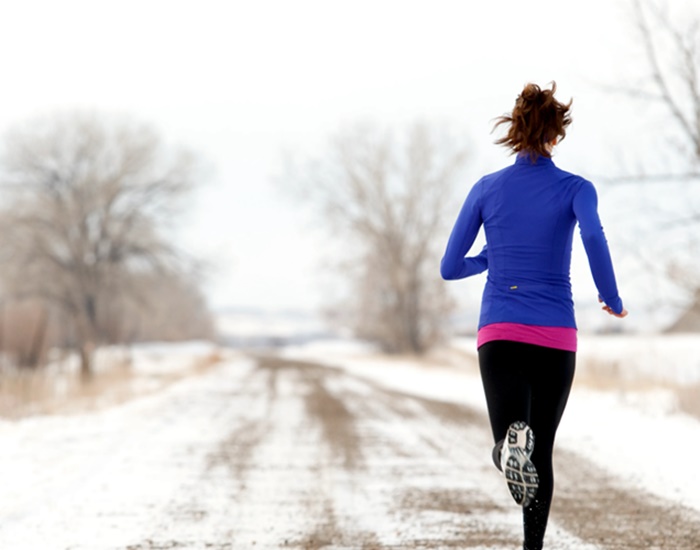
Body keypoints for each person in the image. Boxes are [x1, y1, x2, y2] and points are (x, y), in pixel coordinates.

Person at [440, 82, 628, 550]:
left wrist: (490, 258)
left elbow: (449, 267)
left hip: (500, 333)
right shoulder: (576, 188)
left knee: (511, 442)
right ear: (556, 136)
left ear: (516, 130)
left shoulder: (486, 188)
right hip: (556, 336)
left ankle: (504, 450)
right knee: (541, 451)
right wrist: (612, 297)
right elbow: (593, 239)